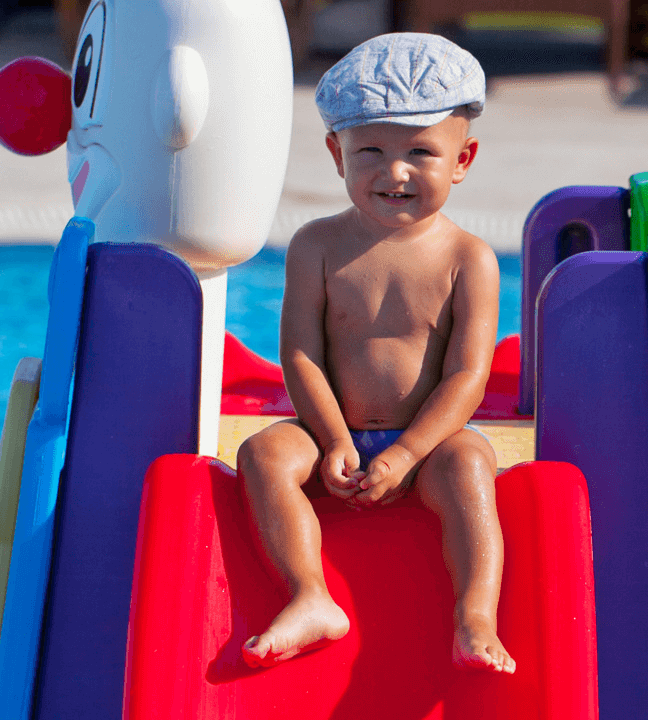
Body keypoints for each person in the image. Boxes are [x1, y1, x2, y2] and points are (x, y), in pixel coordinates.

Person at [236, 33, 514, 675]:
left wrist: (409, 452)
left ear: (463, 159)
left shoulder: (468, 258)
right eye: (371, 152)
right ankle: (310, 595)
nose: (395, 173)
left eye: (420, 152)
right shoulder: (315, 246)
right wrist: (333, 438)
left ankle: (475, 618)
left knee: (471, 463)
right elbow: (301, 354)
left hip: (428, 444)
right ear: (337, 154)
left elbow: (467, 375)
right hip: (328, 435)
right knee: (263, 454)